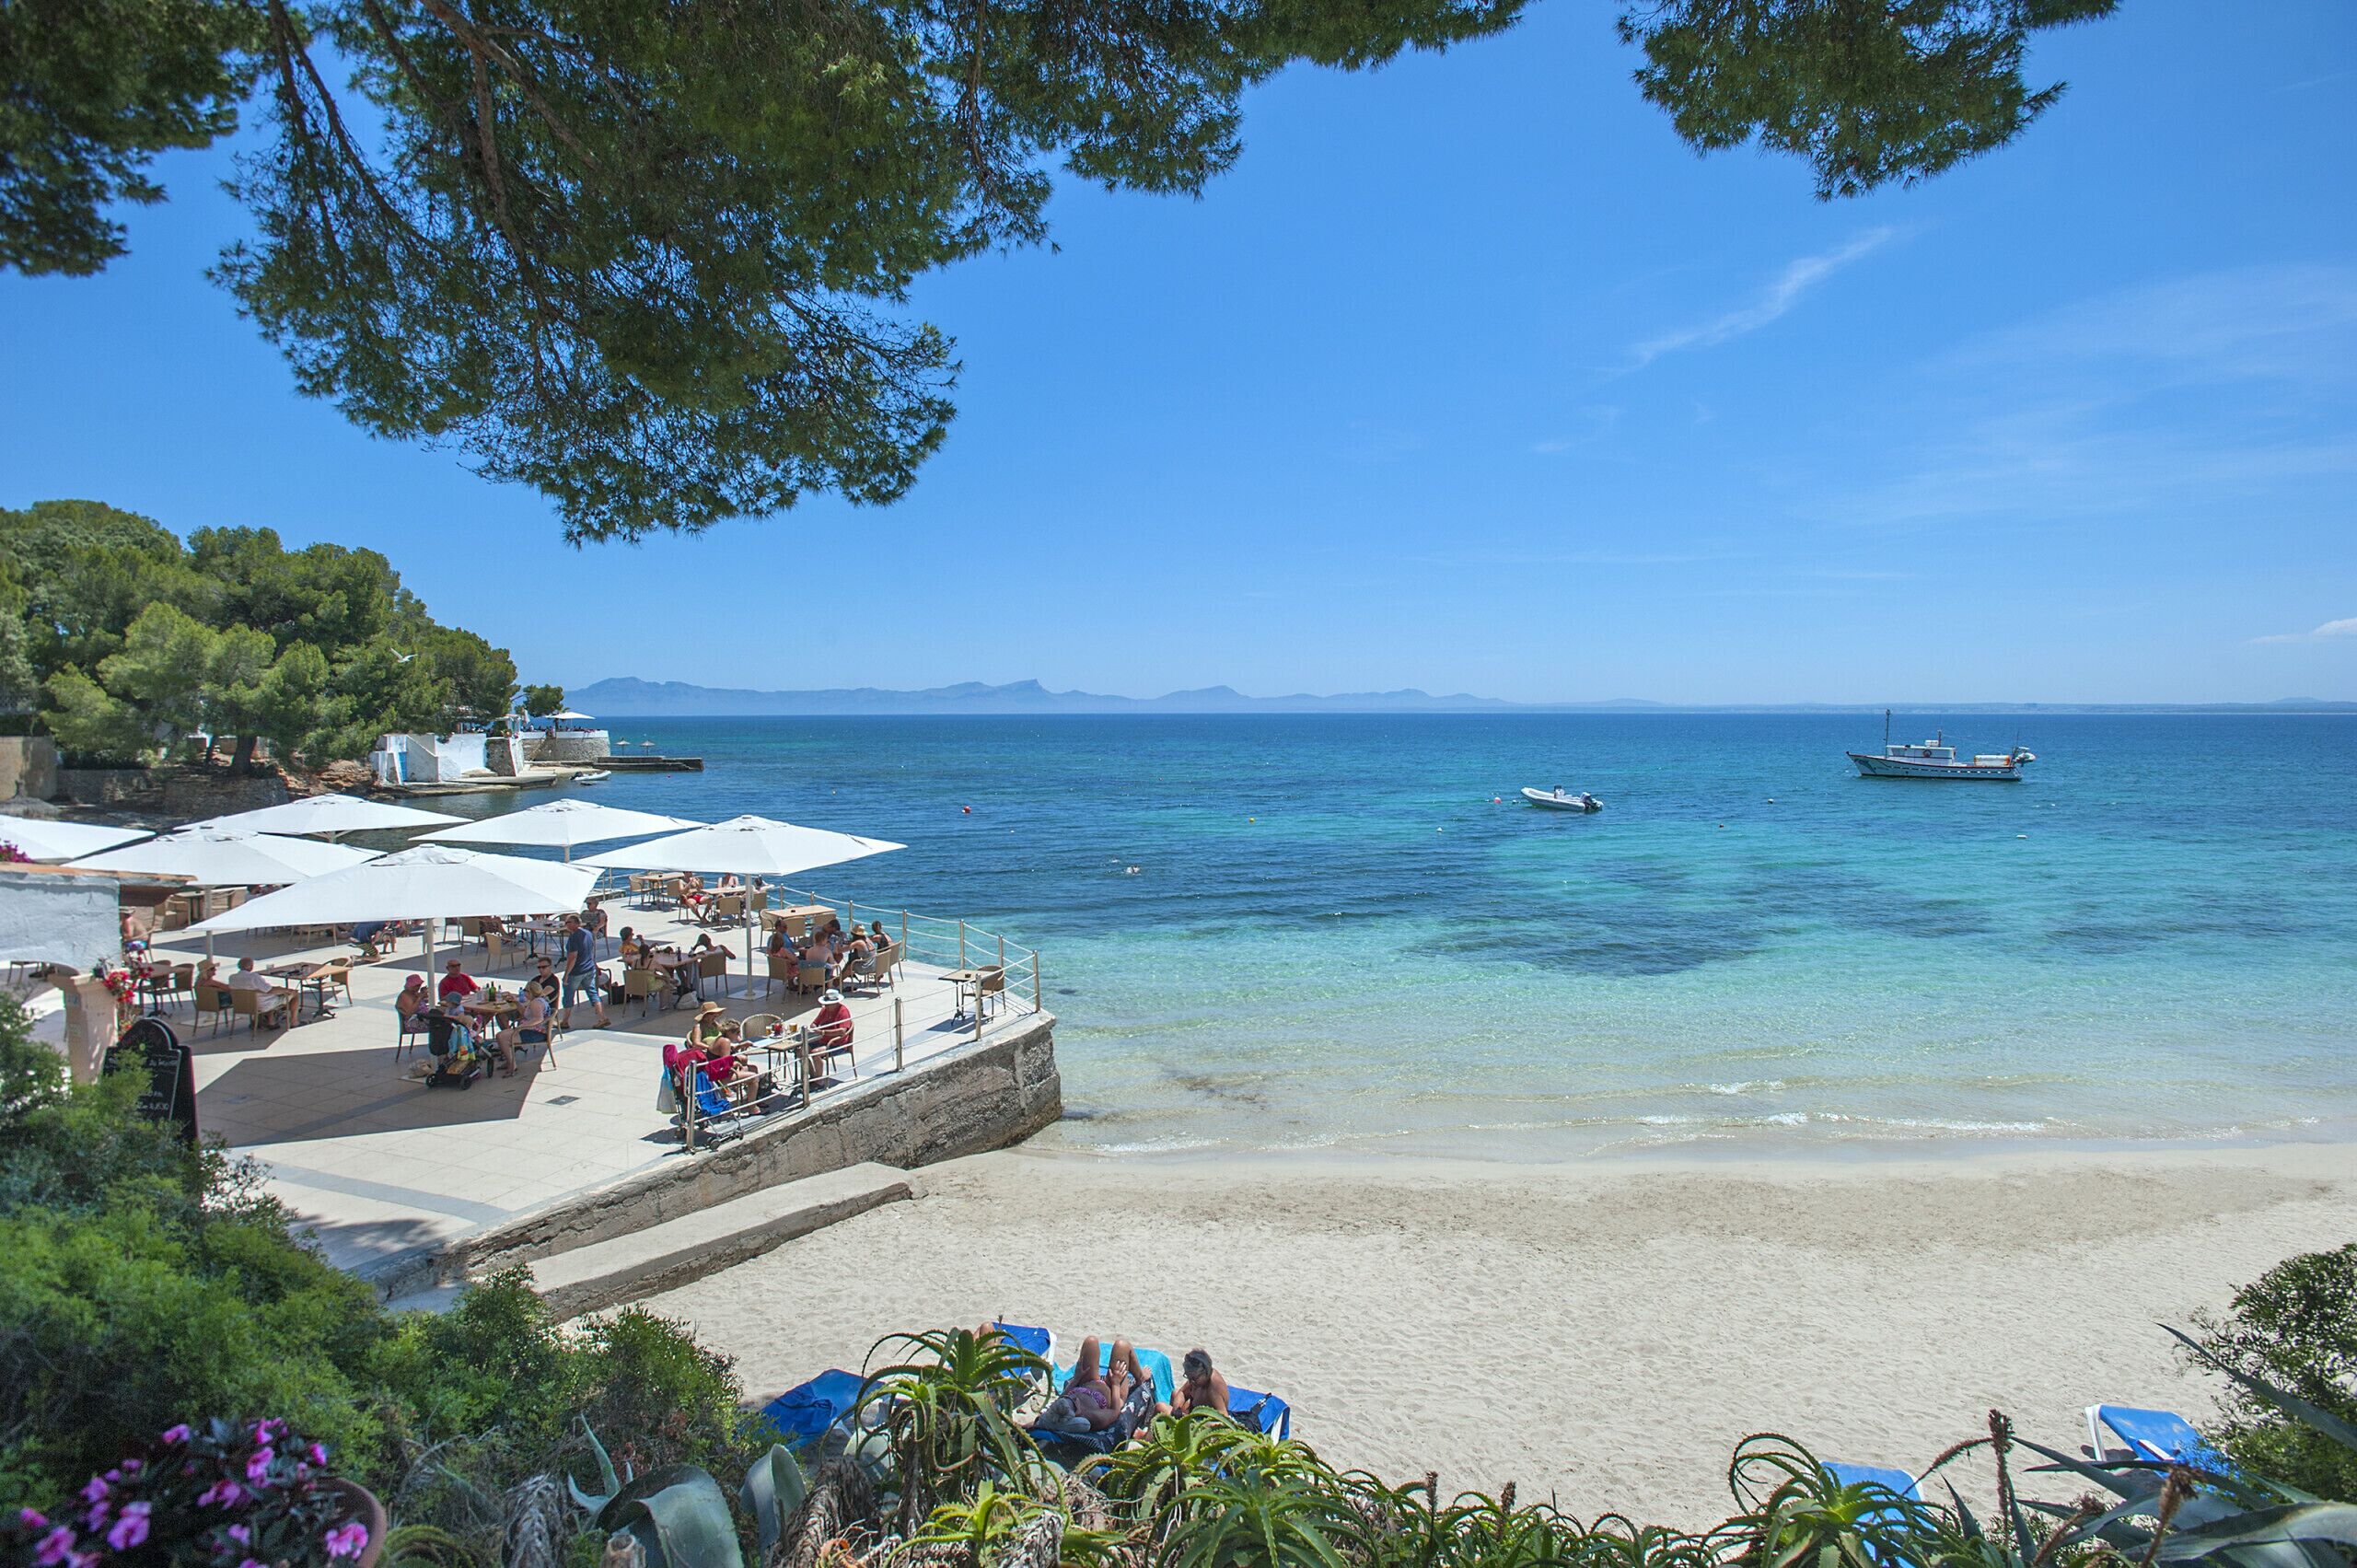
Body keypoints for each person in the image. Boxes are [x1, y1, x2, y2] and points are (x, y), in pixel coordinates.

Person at [559, 912, 610, 1030]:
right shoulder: (588, 933)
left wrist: (566, 975)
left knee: (568, 994)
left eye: (568, 922)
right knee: (592, 993)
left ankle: (565, 1021)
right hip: (589, 968)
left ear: (575, 923)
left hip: (577, 971)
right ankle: (602, 1018)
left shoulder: (574, 937)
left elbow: (572, 957)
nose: (565, 924)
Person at [225, 956, 293, 1026]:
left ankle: (268, 1020)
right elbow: (269, 990)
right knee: (292, 994)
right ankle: (294, 1021)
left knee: (270, 997)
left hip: (242, 1005)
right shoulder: (253, 977)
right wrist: (286, 990)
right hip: (261, 1005)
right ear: (250, 966)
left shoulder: (232, 977)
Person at [1167, 1349, 1231, 1421]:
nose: (1191, 1382)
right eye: (1188, 1377)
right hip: (1194, 1410)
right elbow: (1182, 1393)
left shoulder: (1214, 1386)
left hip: (1203, 1420)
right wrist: (1176, 1409)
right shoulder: (1196, 1378)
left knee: (1160, 1407)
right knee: (1174, 1393)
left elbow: (1224, 1417)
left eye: (1194, 1379)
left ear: (1205, 1373)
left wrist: (1198, 1424)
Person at [810, 988, 853, 1052]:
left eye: (828, 1004)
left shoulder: (843, 1011)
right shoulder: (825, 1009)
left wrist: (823, 1032)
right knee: (801, 1049)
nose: (825, 1006)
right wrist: (815, 1028)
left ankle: (818, 1061)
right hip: (822, 1040)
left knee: (816, 1052)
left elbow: (842, 1031)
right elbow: (814, 1023)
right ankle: (808, 1063)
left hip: (837, 1044)